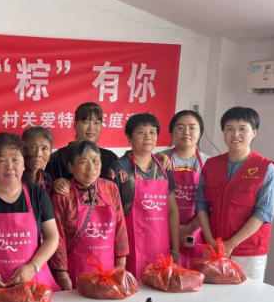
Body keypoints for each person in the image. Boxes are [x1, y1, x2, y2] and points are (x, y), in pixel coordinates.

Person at [195, 107, 274, 282]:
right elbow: (201, 204)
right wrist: (211, 240)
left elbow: (264, 212)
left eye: (243, 129)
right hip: (213, 247)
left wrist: (231, 244)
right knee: (211, 295)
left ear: (254, 133)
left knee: (247, 297)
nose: (235, 134)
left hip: (248, 252)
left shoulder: (266, 168)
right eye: (230, 128)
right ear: (223, 132)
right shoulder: (211, 165)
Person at [0, 133, 60, 291]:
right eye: (2, 160)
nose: (10, 166)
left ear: (24, 164)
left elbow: (52, 236)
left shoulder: (37, 194)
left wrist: (33, 267)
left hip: (33, 281)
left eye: (15, 159)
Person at [107, 113, 179, 281]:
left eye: (152, 132)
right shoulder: (118, 168)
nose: (148, 137)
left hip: (160, 246)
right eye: (141, 132)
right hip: (129, 247)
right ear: (129, 137)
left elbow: (173, 210)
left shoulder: (163, 168)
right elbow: (110, 214)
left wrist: (175, 249)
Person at [51, 140, 129, 290]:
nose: (91, 167)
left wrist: (121, 265)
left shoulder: (110, 188)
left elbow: (120, 227)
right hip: (75, 270)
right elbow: (58, 237)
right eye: (83, 162)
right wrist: (62, 275)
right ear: (71, 167)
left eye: (95, 160)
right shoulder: (63, 195)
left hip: (109, 268)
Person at [47, 102, 171, 195]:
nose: (91, 128)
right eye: (86, 122)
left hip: (104, 217)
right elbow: (45, 186)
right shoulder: (58, 157)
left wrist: (155, 157)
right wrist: (55, 184)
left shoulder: (110, 157)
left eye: (97, 123)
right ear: (75, 124)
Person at [160, 110, 210, 269]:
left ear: (200, 132)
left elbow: (211, 203)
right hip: (163, 229)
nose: (186, 132)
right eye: (180, 127)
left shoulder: (209, 163)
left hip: (197, 229)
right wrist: (174, 229)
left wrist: (189, 228)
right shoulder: (160, 160)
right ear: (172, 132)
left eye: (192, 128)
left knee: (194, 276)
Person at [22, 126, 54, 195]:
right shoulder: (15, 176)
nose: (38, 154)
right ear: (23, 149)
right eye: (33, 147)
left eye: (44, 148)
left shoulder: (47, 179)